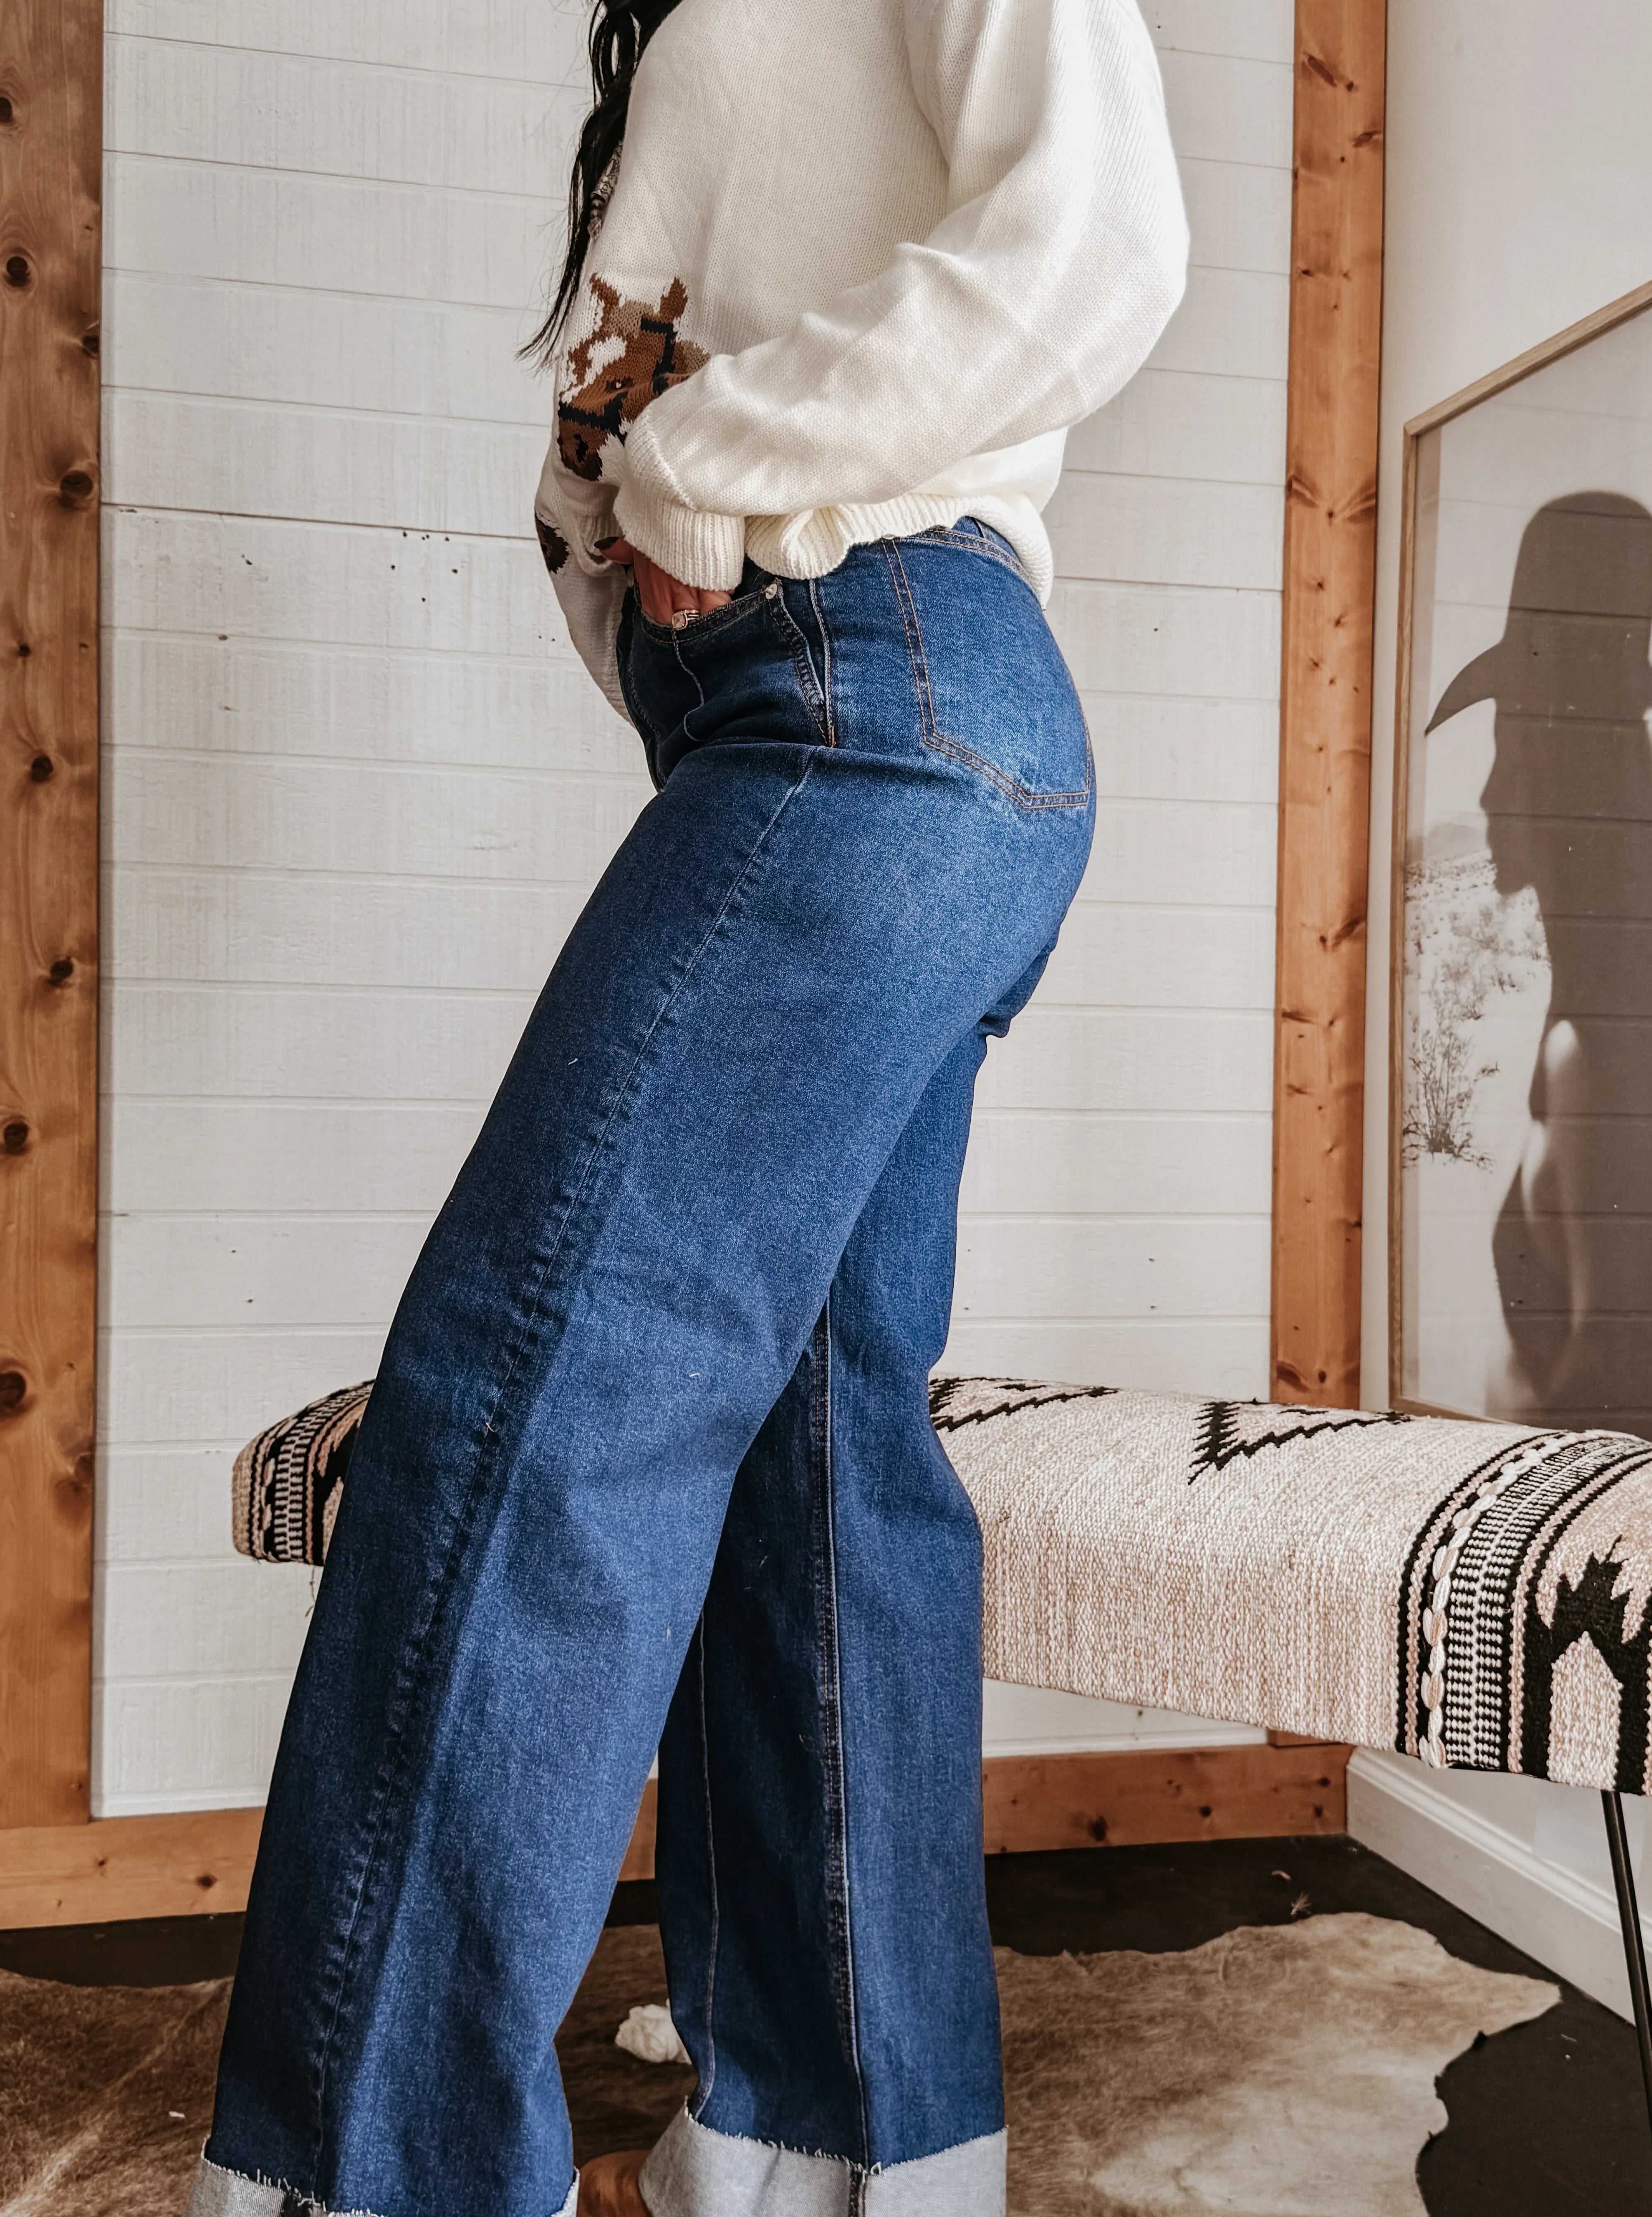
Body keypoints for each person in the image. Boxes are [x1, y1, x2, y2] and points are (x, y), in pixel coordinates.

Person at [185, 2, 1186, 2213]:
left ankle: (381, 2169)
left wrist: (690, 474)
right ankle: (839, 2141)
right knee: (819, 1452)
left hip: (875, 707)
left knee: (527, 1392)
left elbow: (1098, 233)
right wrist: (659, 519)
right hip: (866, 726)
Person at [1426, 492, 1652, 1450]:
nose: (1484, 789)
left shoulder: (1592, 1057)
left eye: (1511, 746)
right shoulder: (1595, 1031)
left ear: (1570, 776)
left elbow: (1616, 1410)